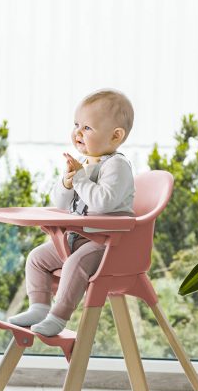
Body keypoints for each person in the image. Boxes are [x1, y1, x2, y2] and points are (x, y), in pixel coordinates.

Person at [8, 89, 136, 336]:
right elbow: (61, 204)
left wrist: (79, 179)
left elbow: (103, 203)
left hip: (108, 243)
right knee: (37, 258)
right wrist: (68, 183)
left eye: (87, 128)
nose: (78, 132)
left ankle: (59, 316)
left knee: (75, 264)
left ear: (115, 136)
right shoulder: (85, 163)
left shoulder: (117, 165)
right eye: (76, 124)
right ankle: (39, 306)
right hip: (77, 238)